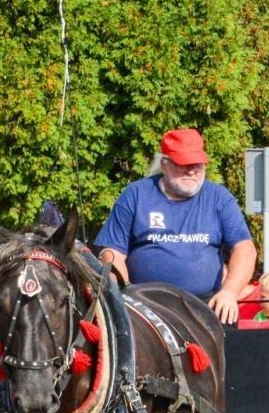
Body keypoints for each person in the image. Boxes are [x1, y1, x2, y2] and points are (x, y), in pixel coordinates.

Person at [93, 128, 256, 324]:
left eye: (197, 165)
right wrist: (124, 294)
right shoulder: (136, 195)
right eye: (183, 164)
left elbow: (245, 249)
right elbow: (112, 253)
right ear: (164, 163)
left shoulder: (219, 198)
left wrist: (229, 292)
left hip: (208, 305)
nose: (191, 171)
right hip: (145, 307)